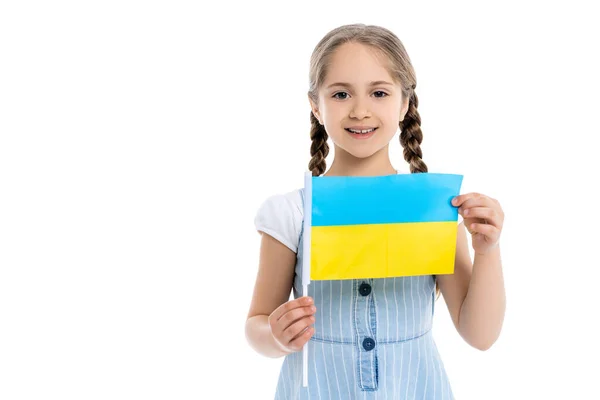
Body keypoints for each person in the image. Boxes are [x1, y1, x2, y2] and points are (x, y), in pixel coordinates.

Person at [245, 23, 506, 399]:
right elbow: (256, 324)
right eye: (340, 94)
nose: (360, 110)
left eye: (379, 92)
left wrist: (487, 251)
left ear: (404, 103)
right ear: (315, 105)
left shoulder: (432, 207)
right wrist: (275, 334)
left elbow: (479, 335)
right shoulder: (292, 213)